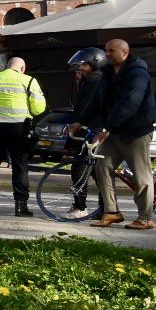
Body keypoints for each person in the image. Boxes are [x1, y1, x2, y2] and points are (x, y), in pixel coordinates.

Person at [84, 39, 156, 229]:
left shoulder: (137, 72)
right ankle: (111, 212)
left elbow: (131, 102)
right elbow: (97, 101)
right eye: (105, 50)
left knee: (141, 176)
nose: (107, 54)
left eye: (111, 51)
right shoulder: (108, 73)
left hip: (136, 131)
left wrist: (107, 128)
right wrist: (80, 121)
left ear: (125, 53)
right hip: (115, 130)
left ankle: (145, 217)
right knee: (102, 166)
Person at [0, 56, 47, 217]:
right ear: (23, 68)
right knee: (20, 167)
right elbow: (39, 107)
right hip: (19, 129)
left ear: (7, 66)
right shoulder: (29, 81)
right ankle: (21, 206)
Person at [64, 48, 108, 218]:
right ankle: (105, 207)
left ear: (94, 63)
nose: (79, 69)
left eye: (83, 65)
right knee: (97, 172)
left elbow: (93, 109)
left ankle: (80, 207)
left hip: (91, 131)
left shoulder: (95, 81)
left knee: (80, 168)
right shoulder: (91, 80)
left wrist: (86, 127)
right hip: (90, 129)